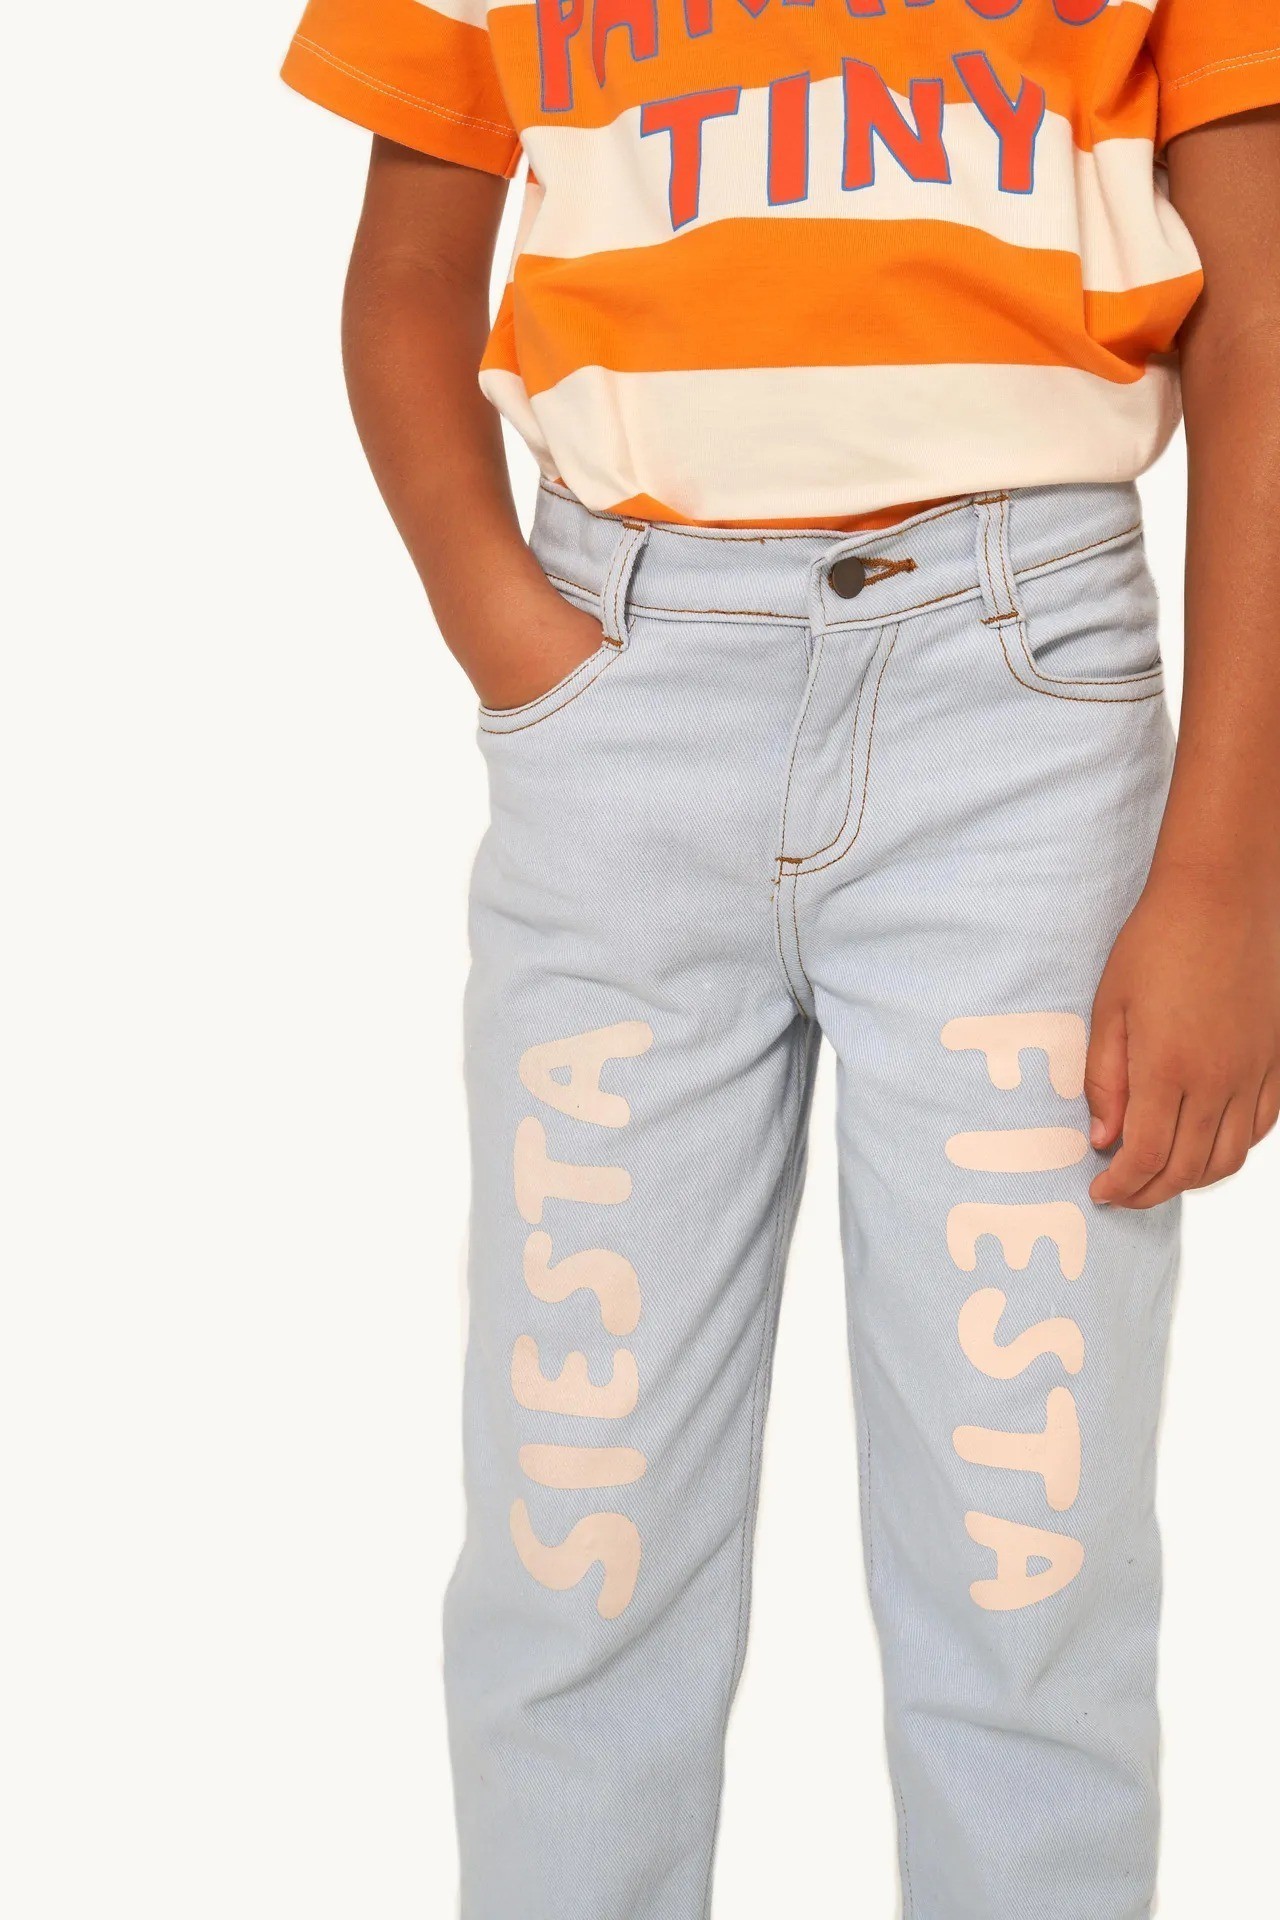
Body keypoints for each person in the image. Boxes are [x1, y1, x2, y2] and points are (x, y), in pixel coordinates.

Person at [281, 2, 1280, 1912]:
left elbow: (1265, 321)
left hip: (1023, 728)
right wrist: (515, 642)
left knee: (1027, 1569)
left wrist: (1229, 874)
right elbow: (409, 272)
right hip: (622, 708)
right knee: (577, 1541)